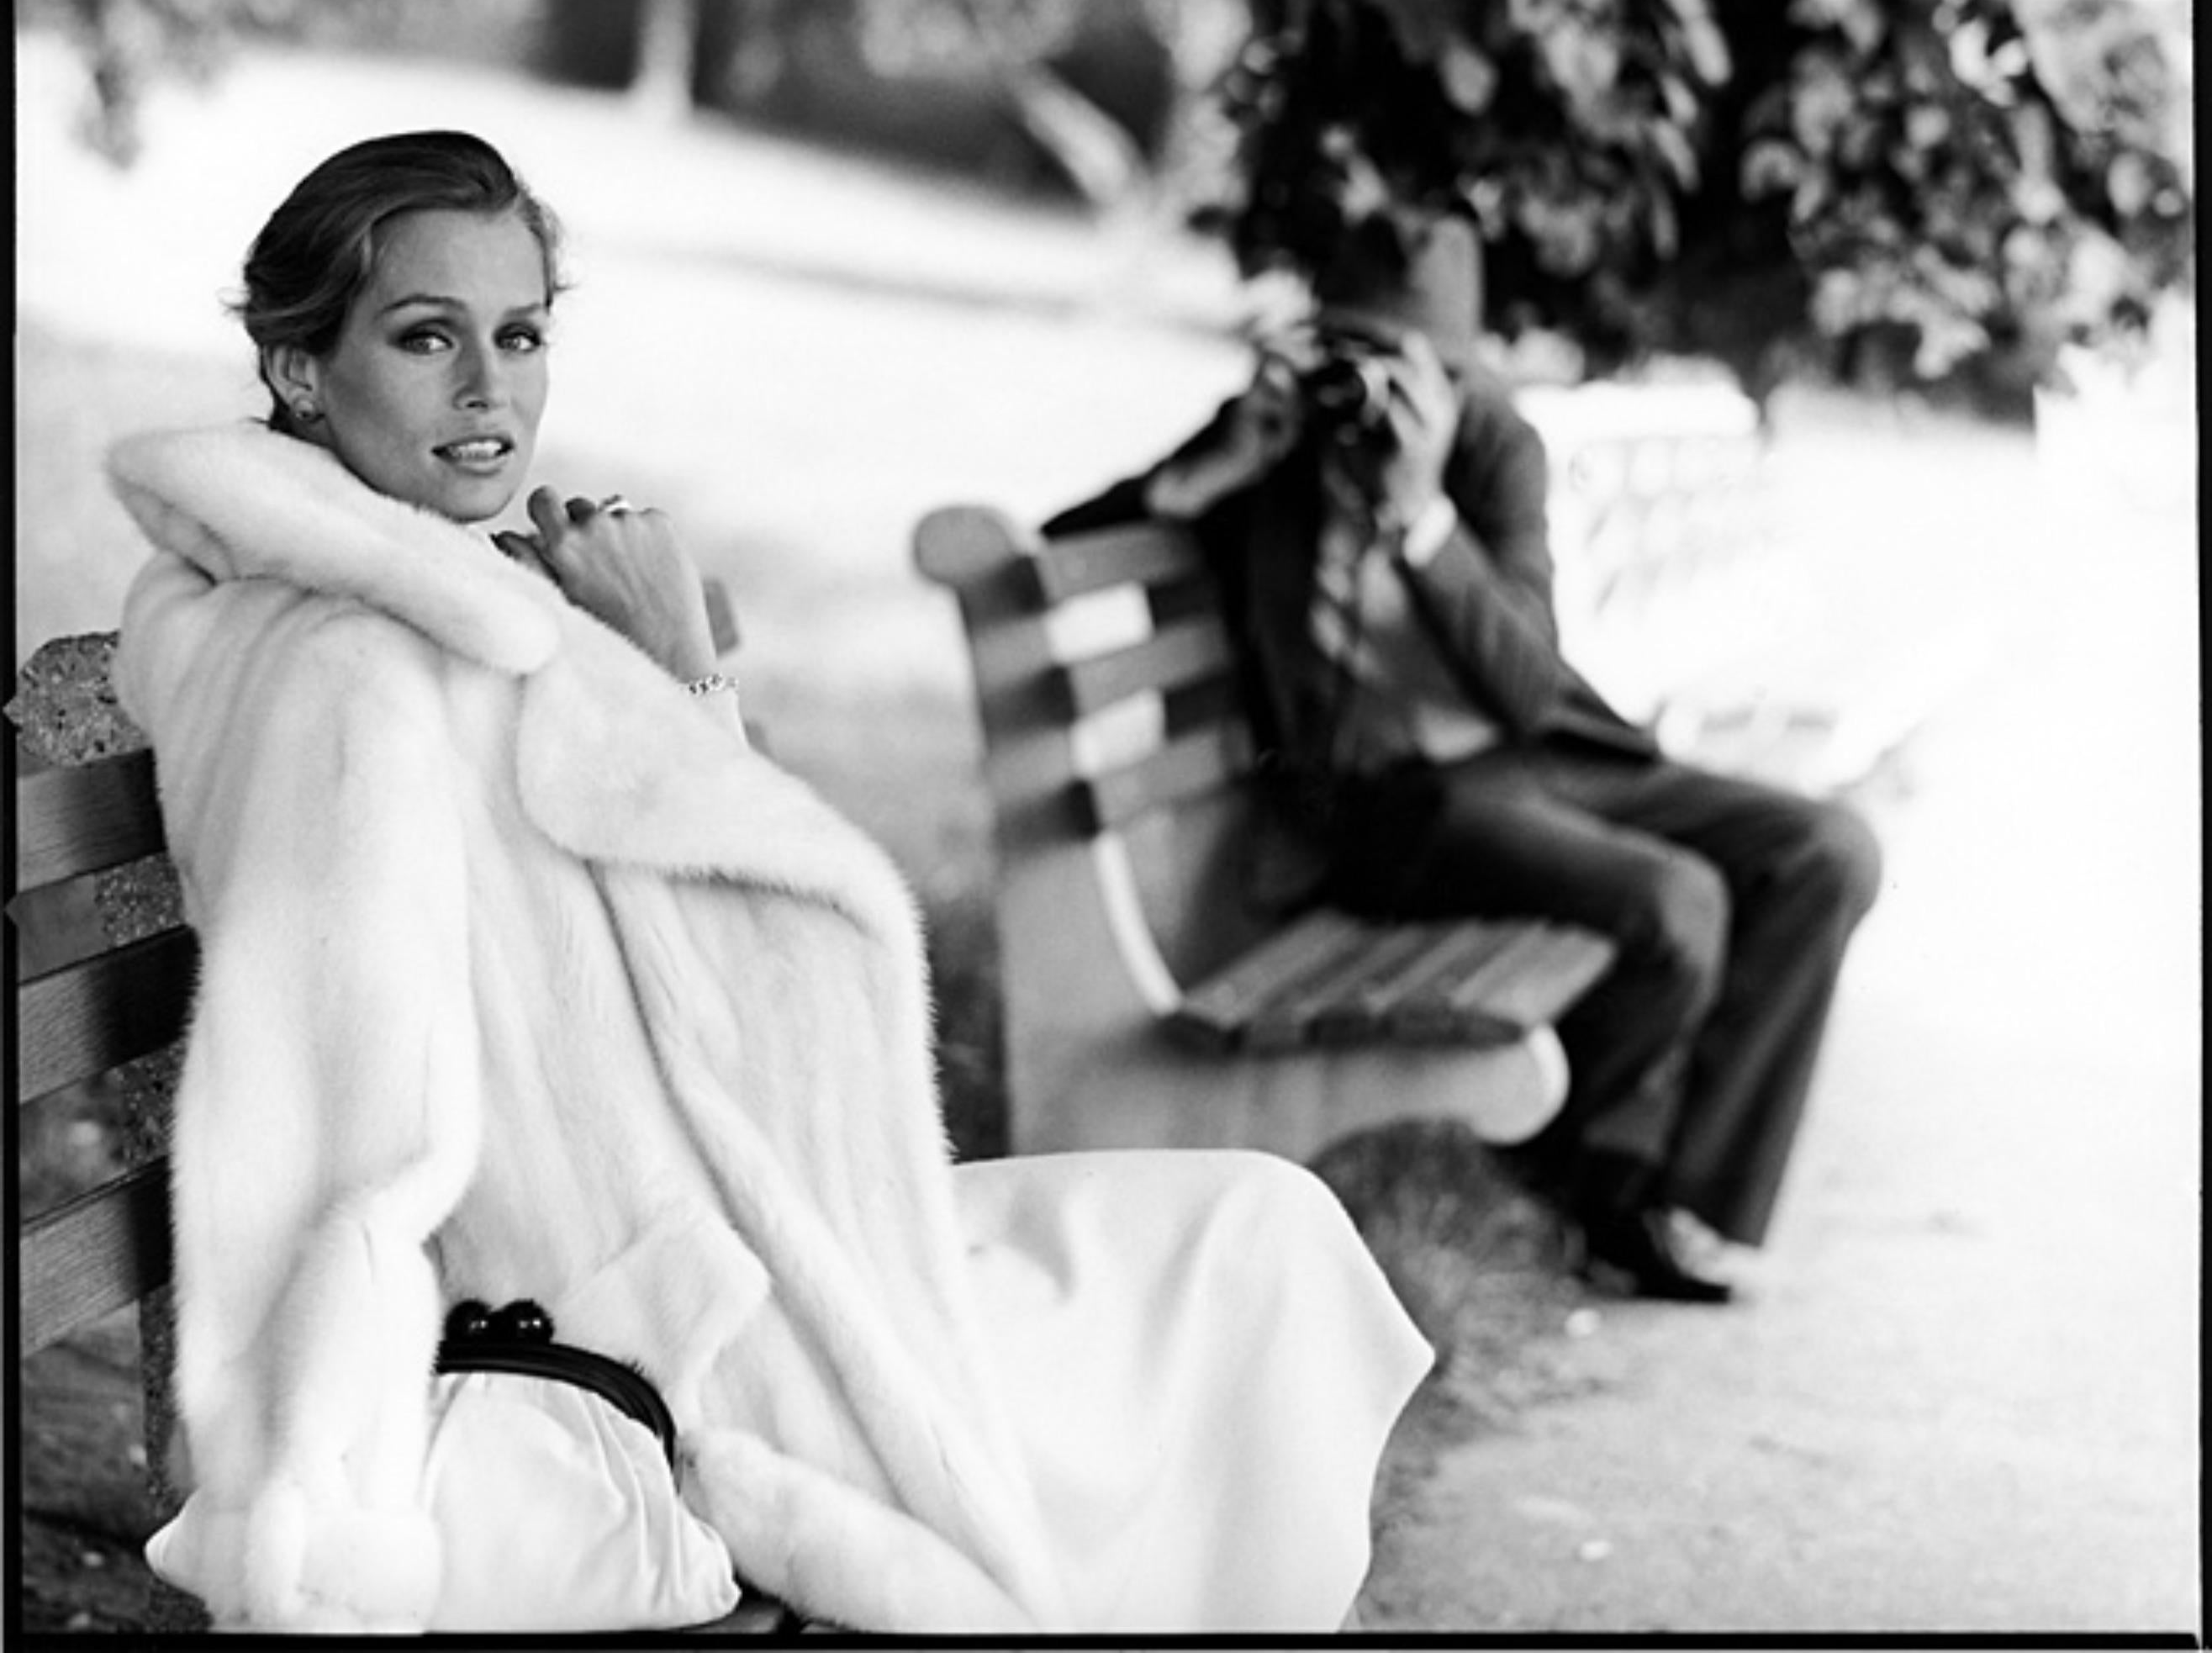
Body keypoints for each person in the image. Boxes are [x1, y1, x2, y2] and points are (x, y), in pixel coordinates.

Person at [108, 129, 1429, 1633]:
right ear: (297, 371)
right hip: (681, 1323)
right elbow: (350, 1126)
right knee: (1240, 1265)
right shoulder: (359, 673)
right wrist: (684, 673)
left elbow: (714, 973)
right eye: (426, 338)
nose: (492, 391)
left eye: (522, 333)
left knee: (1256, 1231)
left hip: (742, 1231)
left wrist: (676, 679)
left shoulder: (436, 607)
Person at [1045, 212, 1883, 1306]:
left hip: (1543, 756)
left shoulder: (1491, 446)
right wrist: (1206, 479)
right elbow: (1053, 555)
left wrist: (1422, 519)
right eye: (1349, 350)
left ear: (1457, 367)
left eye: (1408, 364)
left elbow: (1527, 683)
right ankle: (1604, 1189)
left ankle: (1683, 1191)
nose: (1372, 390)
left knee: (1829, 848)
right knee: (1676, 905)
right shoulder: (1270, 441)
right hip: (1390, 804)